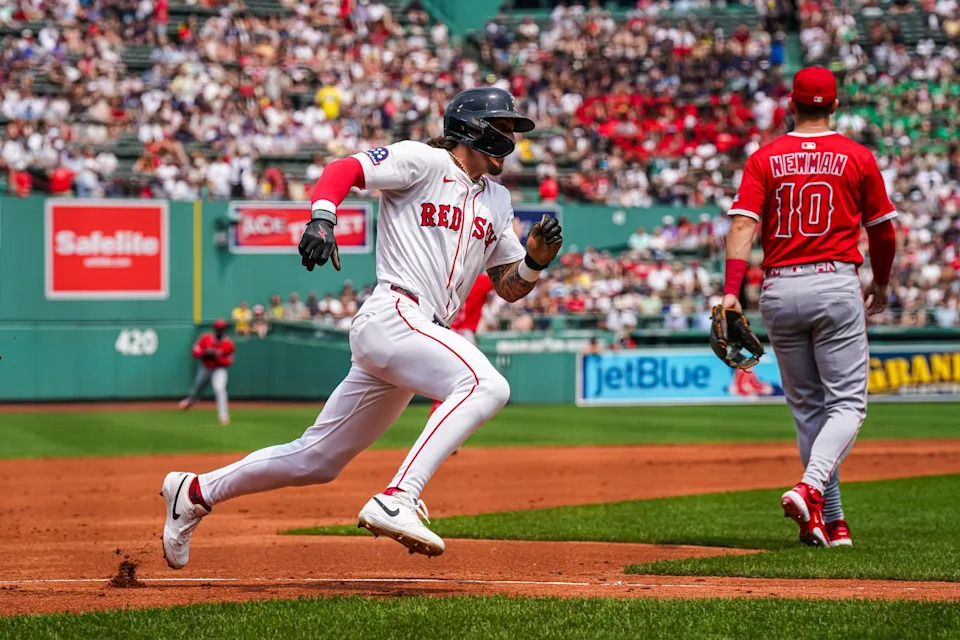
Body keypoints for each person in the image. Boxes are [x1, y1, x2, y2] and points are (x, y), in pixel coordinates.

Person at [160, 87, 563, 568]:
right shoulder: (423, 161)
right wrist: (323, 218)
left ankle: (196, 492)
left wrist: (535, 263)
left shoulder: (497, 200)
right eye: (503, 126)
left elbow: (508, 286)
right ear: (473, 128)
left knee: (316, 460)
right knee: (486, 385)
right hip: (394, 312)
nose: (511, 137)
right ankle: (400, 496)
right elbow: (343, 170)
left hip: (416, 333)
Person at [721, 67, 897, 548]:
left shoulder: (766, 157)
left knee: (807, 412)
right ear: (835, 105)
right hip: (834, 282)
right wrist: (881, 283)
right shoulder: (856, 156)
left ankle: (832, 523)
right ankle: (810, 487)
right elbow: (882, 230)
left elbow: (742, 227)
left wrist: (731, 290)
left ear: (791, 105)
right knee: (847, 406)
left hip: (779, 287)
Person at [429, 271, 496, 416]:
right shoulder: (479, 281)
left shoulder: (443, 279)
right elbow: (503, 279)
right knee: (473, 378)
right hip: (466, 334)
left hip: (446, 331)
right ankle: (462, 410)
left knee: (444, 377)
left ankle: (440, 407)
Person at [178, 319, 236, 426]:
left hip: (219, 369)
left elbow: (228, 362)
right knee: (196, 388)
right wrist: (205, 353)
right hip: (205, 367)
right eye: (218, 328)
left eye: (222, 329)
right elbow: (195, 351)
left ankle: (223, 416)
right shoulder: (205, 339)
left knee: (220, 389)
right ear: (215, 329)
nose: (220, 331)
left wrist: (216, 357)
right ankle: (189, 401)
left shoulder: (228, 344)